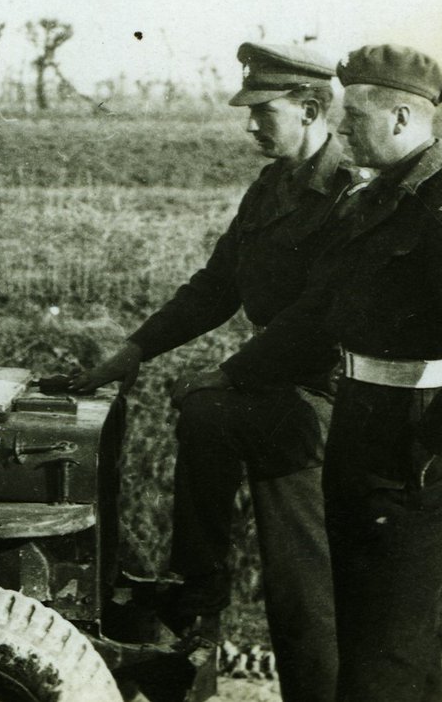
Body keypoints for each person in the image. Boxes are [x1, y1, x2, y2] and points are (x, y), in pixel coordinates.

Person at [219, 44, 442, 701]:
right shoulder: (374, 201)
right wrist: (238, 370)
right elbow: (320, 312)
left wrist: (433, 439)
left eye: (356, 116)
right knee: (381, 639)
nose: (340, 128)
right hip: (361, 428)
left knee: (378, 661)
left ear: (401, 119)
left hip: (411, 448)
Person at [71, 42, 366, 702]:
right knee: (204, 415)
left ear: (313, 108)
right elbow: (215, 286)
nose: (250, 125)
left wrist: (230, 373)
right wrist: (135, 350)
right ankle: (194, 598)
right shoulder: (273, 186)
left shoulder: (351, 194)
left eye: (264, 110)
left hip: (325, 402)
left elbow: (318, 320)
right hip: (276, 389)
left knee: (302, 590)